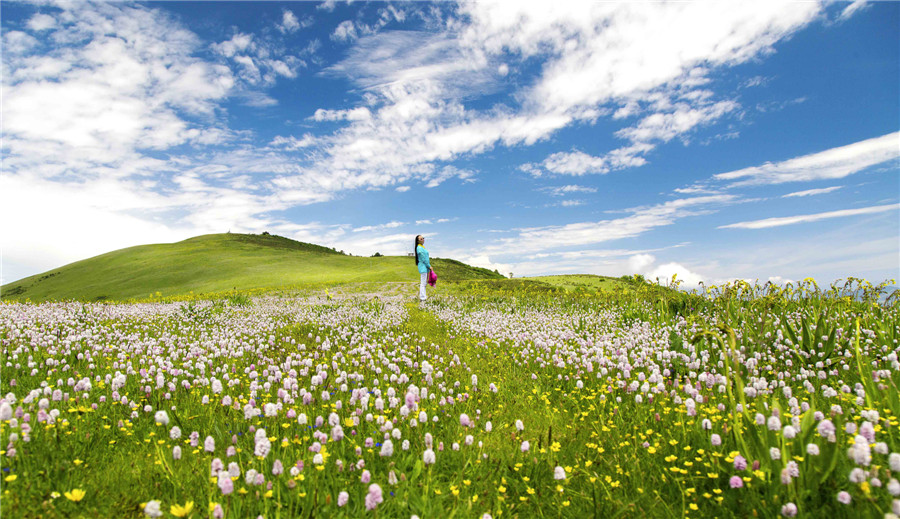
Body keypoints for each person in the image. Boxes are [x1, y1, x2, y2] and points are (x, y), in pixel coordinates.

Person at [414, 235, 434, 301]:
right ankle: (422, 298)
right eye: (421, 239)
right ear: (418, 241)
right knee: (423, 283)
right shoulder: (419, 248)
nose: (423, 239)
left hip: (425, 267)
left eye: (423, 238)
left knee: (424, 283)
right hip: (423, 267)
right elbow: (423, 259)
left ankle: (423, 297)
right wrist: (429, 266)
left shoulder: (422, 247)